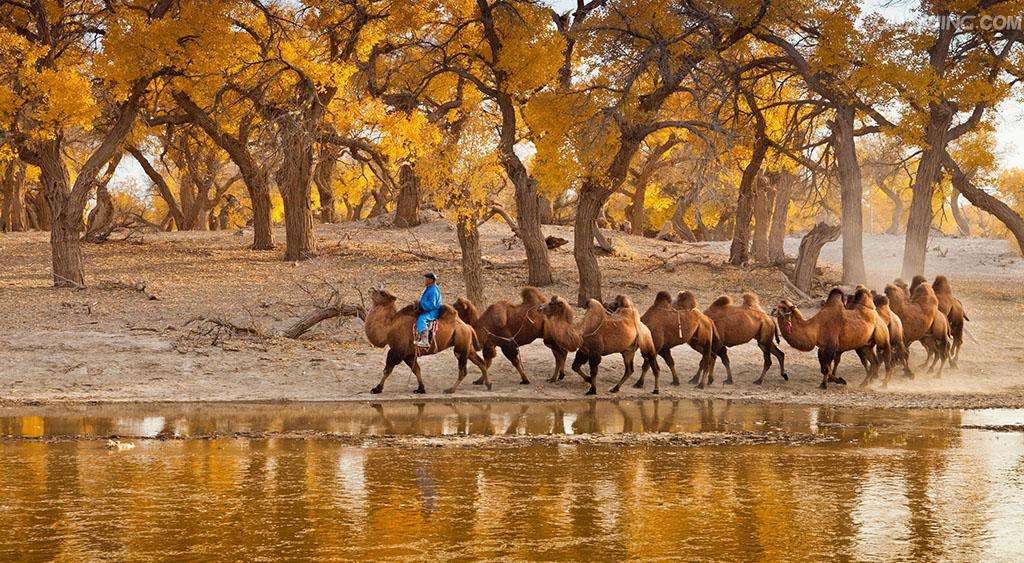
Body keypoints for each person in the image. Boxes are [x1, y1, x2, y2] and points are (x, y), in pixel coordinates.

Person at [415, 272, 443, 347]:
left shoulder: (433, 290)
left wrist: (421, 304)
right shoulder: (429, 288)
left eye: (426, 279)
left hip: (433, 311)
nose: (424, 280)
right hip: (428, 309)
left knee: (422, 318)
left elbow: (432, 304)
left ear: (431, 280)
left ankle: (425, 340)